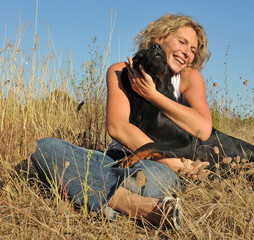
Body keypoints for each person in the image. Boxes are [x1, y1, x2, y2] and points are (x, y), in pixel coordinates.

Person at [30, 14, 211, 229]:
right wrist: (170, 162)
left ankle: (100, 194)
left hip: (152, 166)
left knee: (151, 182)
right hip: (117, 160)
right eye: (182, 42)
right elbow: (118, 127)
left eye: (193, 49)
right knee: (44, 148)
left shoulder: (189, 79)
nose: (187, 53)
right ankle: (130, 203)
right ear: (160, 38)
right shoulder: (120, 70)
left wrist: (153, 95)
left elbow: (203, 129)